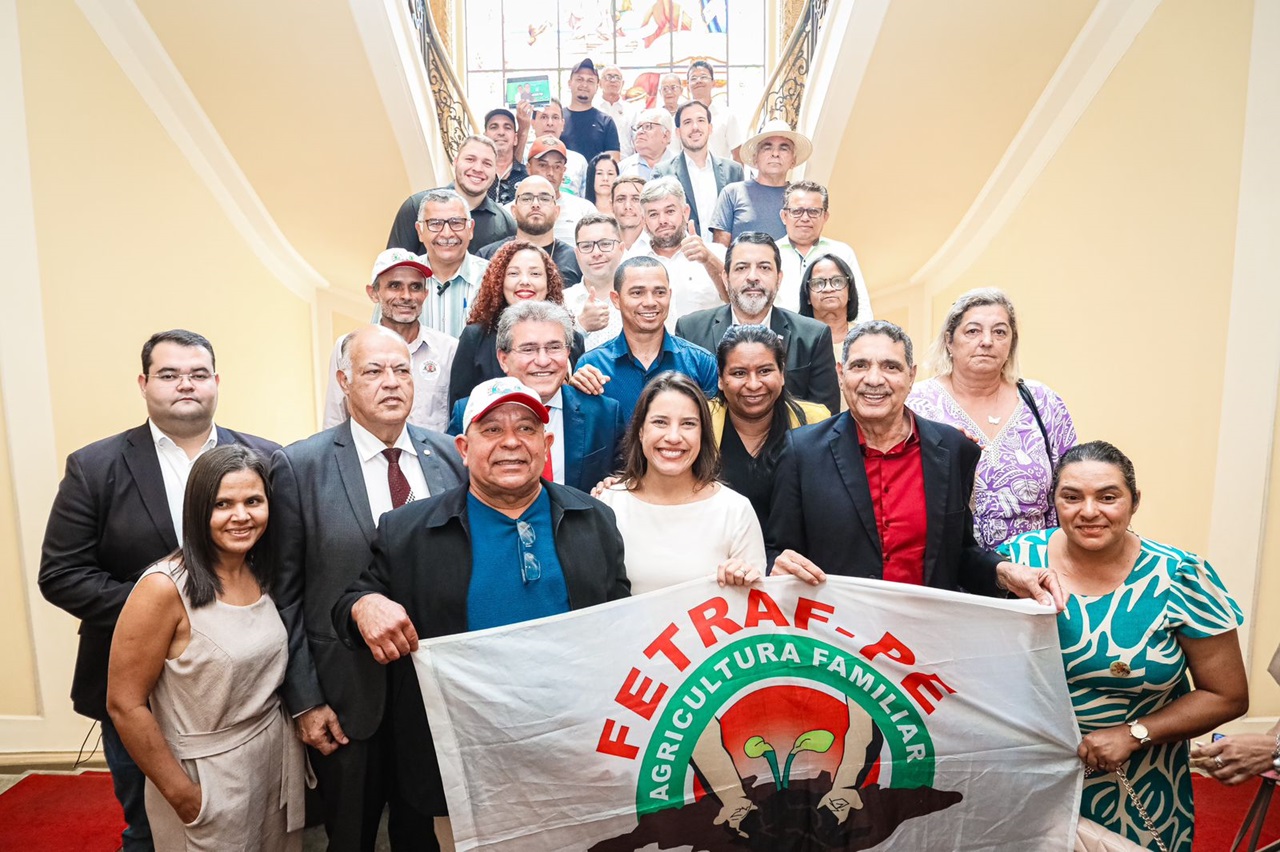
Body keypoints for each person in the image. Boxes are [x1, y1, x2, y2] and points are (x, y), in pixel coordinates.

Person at [332, 376, 630, 849]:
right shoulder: (406, 531)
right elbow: (351, 601)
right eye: (491, 430)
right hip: (463, 766)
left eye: (527, 429)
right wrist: (365, 605)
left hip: (572, 756)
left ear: (546, 444)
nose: (511, 442)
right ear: (464, 448)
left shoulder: (594, 519)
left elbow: (620, 622)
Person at [39, 329, 279, 851]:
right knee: (151, 827)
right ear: (145, 384)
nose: (184, 385)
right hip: (139, 689)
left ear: (216, 382)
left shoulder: (267, 457)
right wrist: (162, 617)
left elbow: (283, 563)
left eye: (197, 374)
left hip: (242, 695)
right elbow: (60, 574)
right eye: (169, 375)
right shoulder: (96, 466)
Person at [270, 325, 465, 851]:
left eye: (402, 370)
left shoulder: (449, 456)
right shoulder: (299, 466)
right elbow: (284, 595)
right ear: (344, 382)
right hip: (347, 699)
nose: (391, 382)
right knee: (350, 838)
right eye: (373, 371)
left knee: (426, 837)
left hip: (436, 695)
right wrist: (305, 700)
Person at [999, 441, 1248, 851]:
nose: (1089, 511)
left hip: (1135, 786)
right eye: (1072, 497)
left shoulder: (1180, 576)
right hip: (1025, 782)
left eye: (1108, 497)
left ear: (1134, 503)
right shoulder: (1015, 564)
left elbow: (1227, 695)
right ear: (1054, 502)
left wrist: (1135, 733)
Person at [765, 320, 1064, 608]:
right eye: (860, 366)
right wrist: (776, 565)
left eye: (890, 367)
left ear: (911, 376)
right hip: (836, 644)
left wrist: (1003, 573)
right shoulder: (800, 452)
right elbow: (776, 551)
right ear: (841, 374)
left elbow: (957, 556)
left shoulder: (954, 450)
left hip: (924, 642)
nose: (874, 379)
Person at [106, 446, 305, 851]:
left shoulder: (259, 571)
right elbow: (124, 704)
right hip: (205, 780)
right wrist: (184, 797)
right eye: (222, 504)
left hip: (272, 767)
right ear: (198, 510)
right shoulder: (163, 588)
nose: (241, 515)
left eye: (253, 501)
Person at [906, 288, 1076, 548]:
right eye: (973, 331)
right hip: (948, 566)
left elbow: (1072, 487)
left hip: (1033, 566)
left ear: (1011, 344)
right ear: (949, 341)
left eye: (999, 332)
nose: (987, 341)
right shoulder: (915, 404)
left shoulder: (1043, 402)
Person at [597, 372, 764, 595]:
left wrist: (743, 581)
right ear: (640, 431)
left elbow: (757, 609)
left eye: (688, 424)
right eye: (660, 422)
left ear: (703, 434)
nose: (673, 437)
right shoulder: (607, 504)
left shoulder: (735, 511)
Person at [447, 301, 624, 493]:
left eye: (554, 347)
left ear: (568, 353)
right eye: (528, 349)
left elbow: (623, 481)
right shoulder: (470, 412)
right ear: (503, 359)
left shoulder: (603, 414)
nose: (543, 361)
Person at [674, 232, 840, 413]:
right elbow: (682, 409)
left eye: (764, 268)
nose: (752, 277)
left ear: (779, 279)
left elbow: (826, 418)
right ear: (725, 278)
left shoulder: (813, 336)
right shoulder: (690, 331)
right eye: (741, 268)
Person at [710, 324, 831, 526]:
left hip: (794, 554)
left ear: (782, 373)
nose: (754, 384)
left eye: (765, 371)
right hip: (721, 553)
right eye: (739, 373)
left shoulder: (815, 421)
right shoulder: (699, 422)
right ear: (721, 379)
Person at [324, 249, 457, 432]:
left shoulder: (448, 349)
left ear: (425, 294)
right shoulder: (348, 345)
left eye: (415, 287)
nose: (406, 296)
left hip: (430, 460)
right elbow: (335, 418)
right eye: (395, 286)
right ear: (374, 293)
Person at [571, 257, 719, 421]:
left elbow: (713, 433)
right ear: (616, 299)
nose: (650, 302)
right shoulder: (593, 367)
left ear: (669, 295)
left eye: (659, 292)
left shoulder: (701, 363)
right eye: (637, 293)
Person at [449, 241, 585, 408]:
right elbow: (459, 406)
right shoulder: (475, 337)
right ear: (499, 281)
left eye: (535, 274)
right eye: (514, 273)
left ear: (549, 283)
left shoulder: (572, 338)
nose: (525, 281)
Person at [387, 135, 514, 255]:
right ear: (455, 162)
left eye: (487, 163)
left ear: (495, 171)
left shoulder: (506, 225)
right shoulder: (417, 207)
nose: (478, 168)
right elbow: (392, 270)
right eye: (470, 159)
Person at [628, 176, 728, 325]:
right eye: (654, 214)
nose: (662, 220)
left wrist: (708, 260)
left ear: (685, 212)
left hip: (707, 346)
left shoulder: (716, 253)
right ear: (644, 221)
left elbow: (737, 302)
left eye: (669, 211)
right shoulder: (632, 262)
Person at [775, 180, 872, 319]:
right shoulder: (770, 254)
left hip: (830, 336)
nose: (805, 218)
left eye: (813, 211)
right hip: (780, 337)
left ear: (825, 216)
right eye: (797, 211)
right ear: (784, 216)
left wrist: (862, 338)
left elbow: (861, 303)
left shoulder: (842, 252)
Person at [710, 119, 811, 244]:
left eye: (784, 149)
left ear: (793, 160)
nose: (775, 153)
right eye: (767, 148)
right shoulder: (732, 193)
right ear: (755, 158)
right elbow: (720, 251)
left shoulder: (802, 198)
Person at [654, 99, 744, 240]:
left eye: (701, 120)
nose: (695, 127)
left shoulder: (733, 171)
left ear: (710, 128)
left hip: (724, 256)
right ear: (678, 132)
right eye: (687, 122)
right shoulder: (663, 173)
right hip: (682, 255)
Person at [409, 188, 491, 337]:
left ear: (470, 229)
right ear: (420, 231)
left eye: (456, 222)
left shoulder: (492, 279)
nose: (447, 234)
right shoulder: (401, 277)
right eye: (435, 223)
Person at [477, 173, 582, 286]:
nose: (535, 204)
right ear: (514, 211)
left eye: (544, 199)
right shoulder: (488, 256)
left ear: (557, 212)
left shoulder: (576, 260)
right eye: (527, 198)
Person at [798, 253, 860, 411]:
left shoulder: (866, 338)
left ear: (849, 290)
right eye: (818, 283)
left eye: (837, 281)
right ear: (807, 297)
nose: (828, 289)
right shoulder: (796, 340)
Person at [518, 135, 597, 243]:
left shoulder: (584, 210)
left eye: (557, 167)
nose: (550, 173)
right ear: (528, 168)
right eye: (542, 165)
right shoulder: (513, 211)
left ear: (564, 170)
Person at [563, 213, 625, 349]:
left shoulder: (640, 299)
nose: (596, 253)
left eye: (605, 244)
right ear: (577, 254)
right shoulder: (561, 302)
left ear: (621, 249)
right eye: (586, 246)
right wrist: (580, 326)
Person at [561, 58, 621, 163]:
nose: (584, 85)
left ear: (597, 87)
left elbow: (613, 163)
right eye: (579, 79)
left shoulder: (606, 122)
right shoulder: (557, 118)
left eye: (590, 81)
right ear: (569, 83)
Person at [522, 102, 589, 195]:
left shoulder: (578, 162)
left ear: (563, 124)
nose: (550, 123)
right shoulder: (522, 156)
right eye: (544, 117)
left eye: (555, 117)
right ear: (532, 123)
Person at [686, 60, 745, 163]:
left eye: (704, 77)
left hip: (720, 177)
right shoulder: (681, 117)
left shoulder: (727, 116)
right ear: (688, 85)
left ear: (713, 83)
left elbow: (737, 154)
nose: (698, 81)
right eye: (693, 78)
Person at [482, 108, 528, 205]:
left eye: (507, 127)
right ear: (485, 137)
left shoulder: (528, 177)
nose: (501, 133)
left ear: (515, 139)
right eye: (494, 127)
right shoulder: (476, 175)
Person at [619, 108, 673, 180]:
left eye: (647, 126)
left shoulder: (681, 166)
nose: (639, 132)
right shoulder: (622, 169)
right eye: (638, 128)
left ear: (665, 136)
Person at [594, 64, 635, 157]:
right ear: (600, 83)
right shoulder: (593, 107)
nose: (613, 80)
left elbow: (636, 139)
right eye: (608, 77)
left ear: (622, 83)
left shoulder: (632, 110)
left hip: (625, 162)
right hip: (597, 162)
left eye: (617, 77)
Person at [611, 175, 648, 251]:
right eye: (620, 199)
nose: (627, 206)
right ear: (611, 205)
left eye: (635, 199)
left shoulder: (658, 245)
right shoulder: (602, 245)